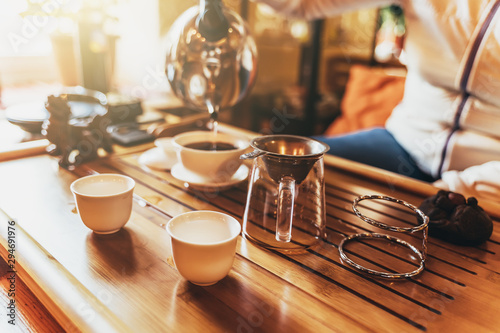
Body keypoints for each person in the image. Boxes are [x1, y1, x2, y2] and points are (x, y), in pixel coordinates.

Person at [256, 0, 500, 201]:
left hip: (488, 173)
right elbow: (302, 4)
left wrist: (454, 190)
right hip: (402, 144)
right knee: (275, 169)